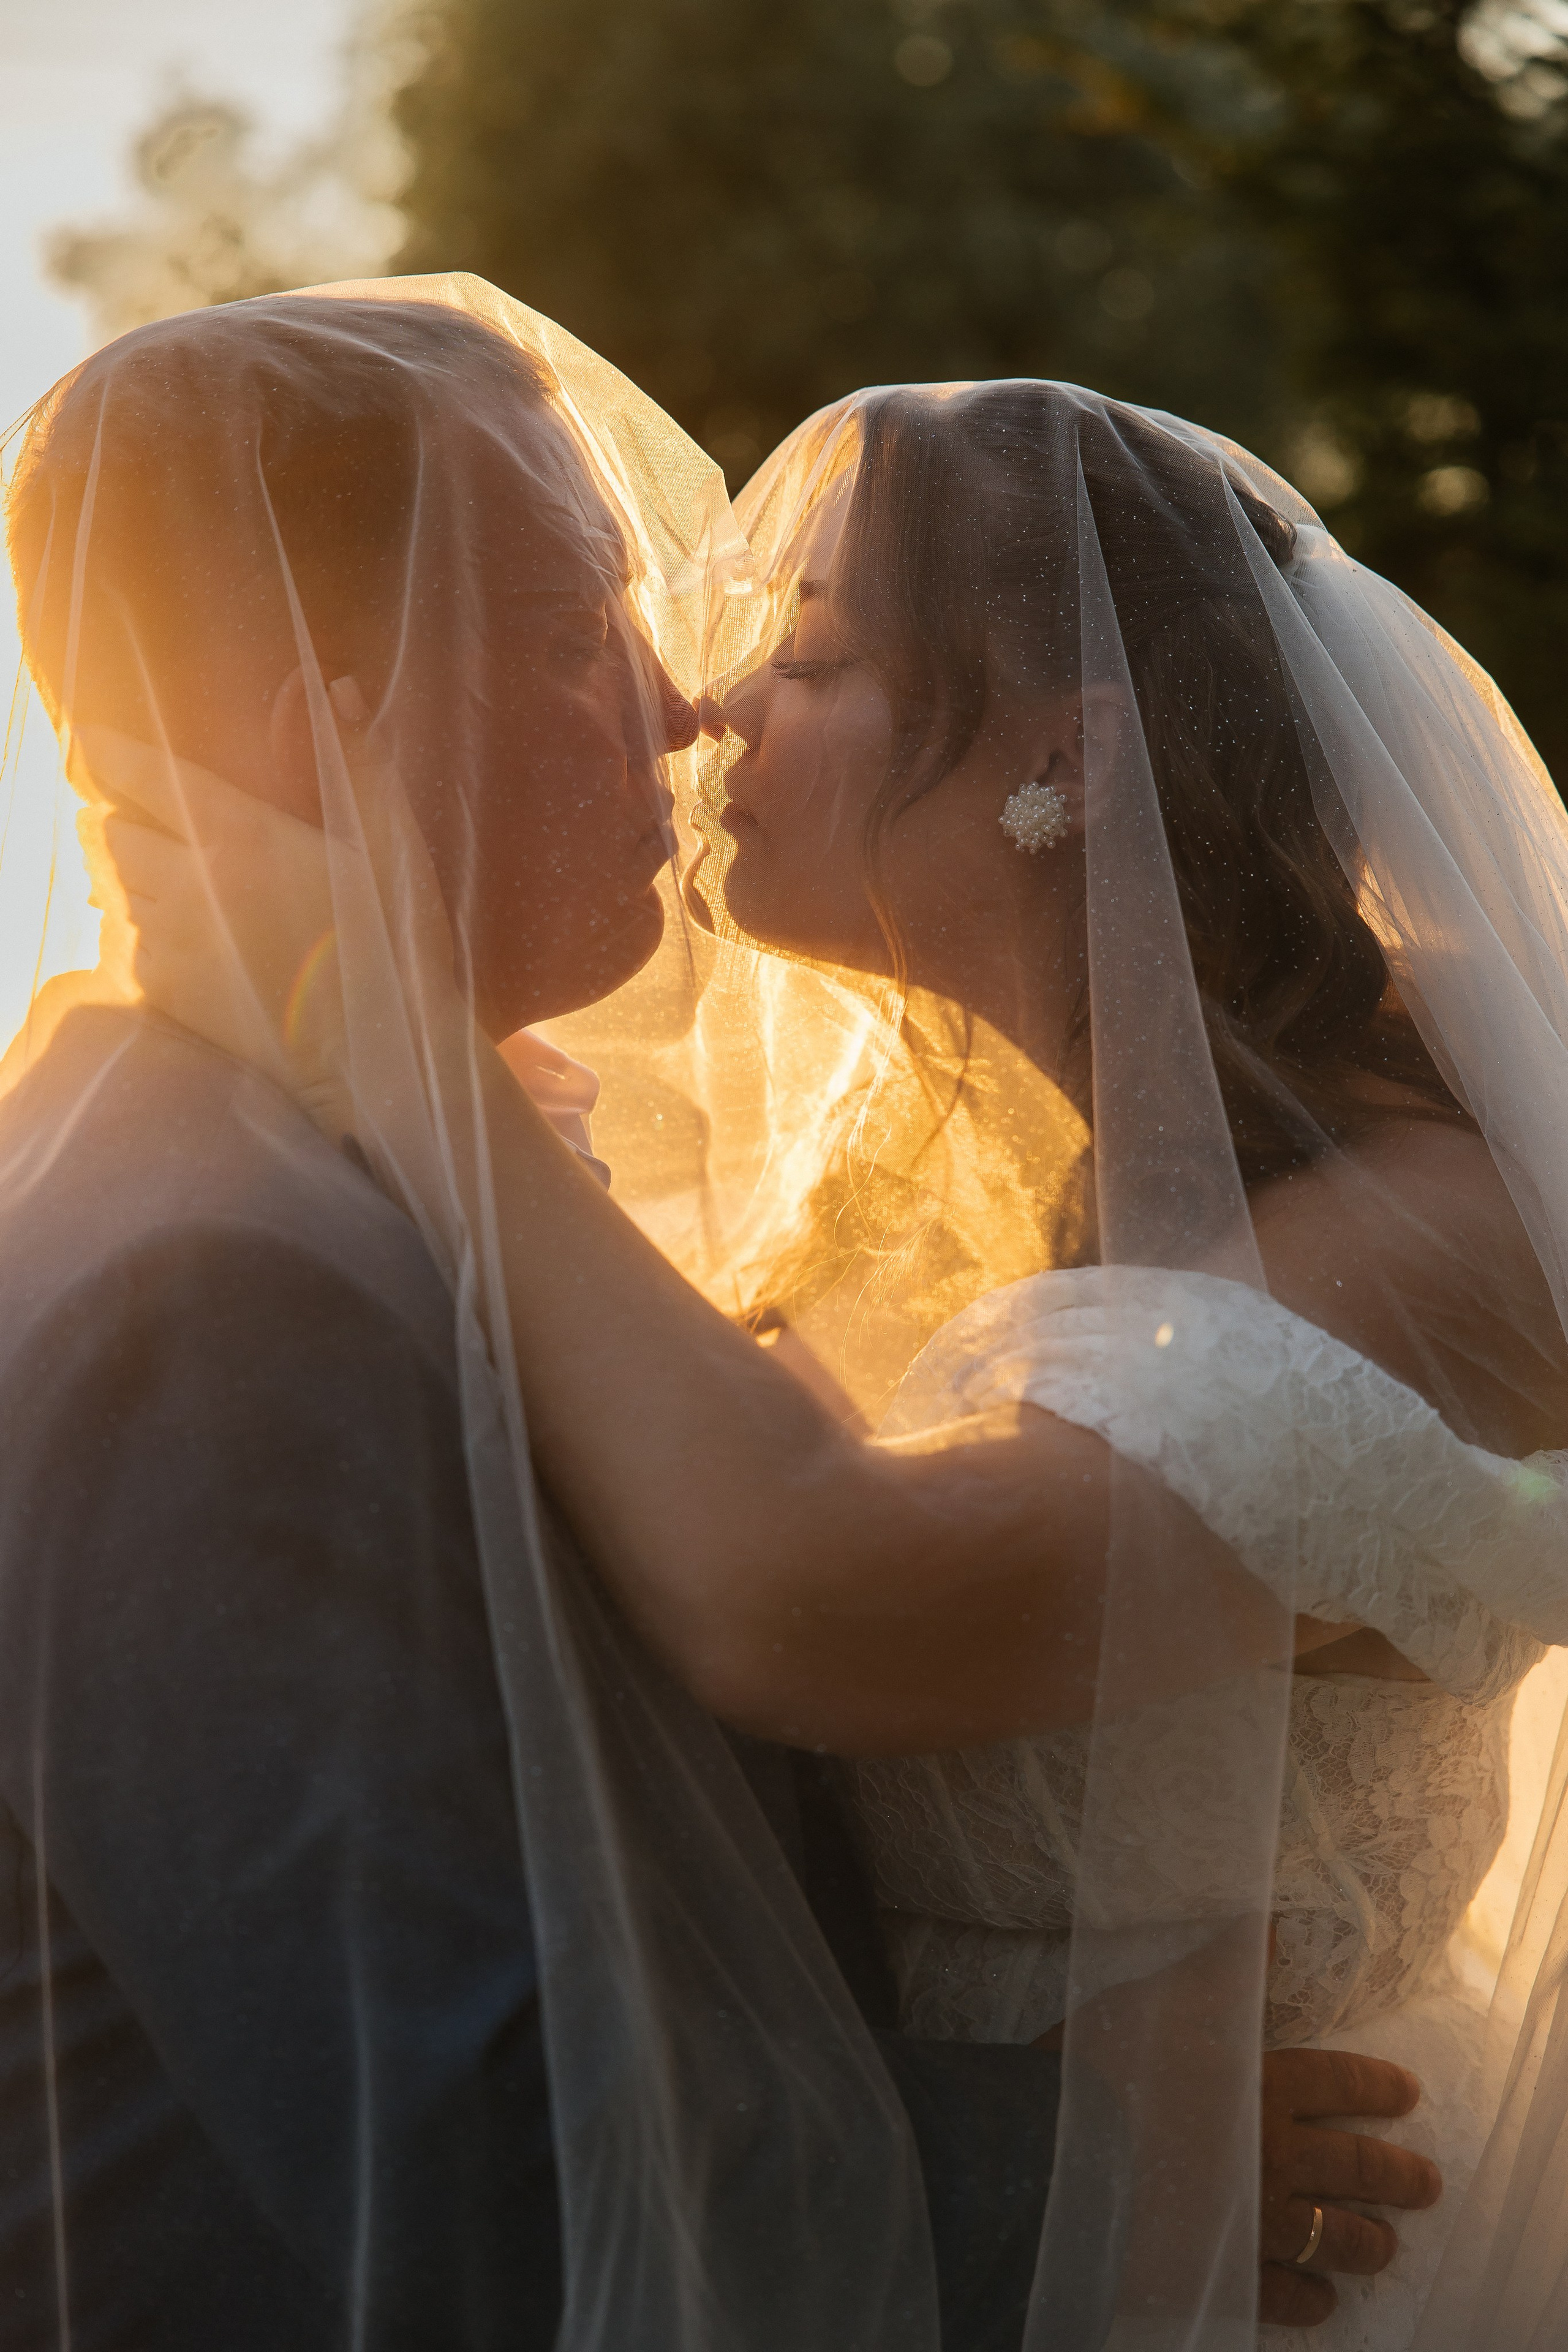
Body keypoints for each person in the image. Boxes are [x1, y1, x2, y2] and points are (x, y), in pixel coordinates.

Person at [4, 279, 1448, 2350]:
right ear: (310, 721)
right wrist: (1092, 2159)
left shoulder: (370, 1177)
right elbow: (485, 2178)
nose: (687, 709)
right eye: (570, 627)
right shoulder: (209, 1289)